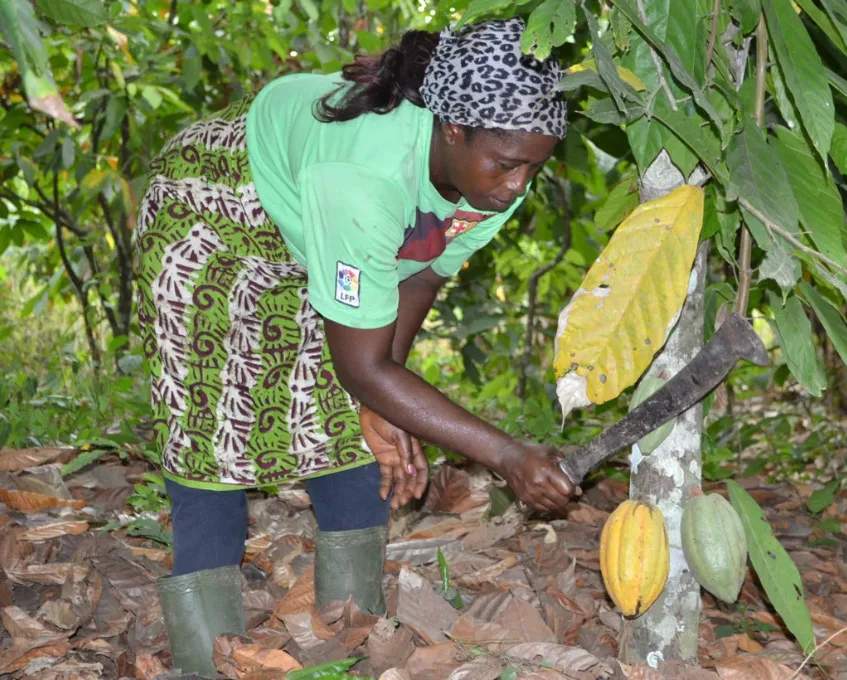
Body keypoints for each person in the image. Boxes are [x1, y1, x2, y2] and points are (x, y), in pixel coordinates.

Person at [134, 16, 577, 676]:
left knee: (356, 430)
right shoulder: (365, 181)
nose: (517, 187)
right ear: (453, 129)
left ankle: (350, 646)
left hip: (318, 238)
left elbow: (421, 270)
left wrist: (380, 392)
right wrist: (506, 454)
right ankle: (207, 660)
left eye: (533, 168)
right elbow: (363, 364)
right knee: (212, 440)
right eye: (509, 165)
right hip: (212, 223)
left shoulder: (493, 174)